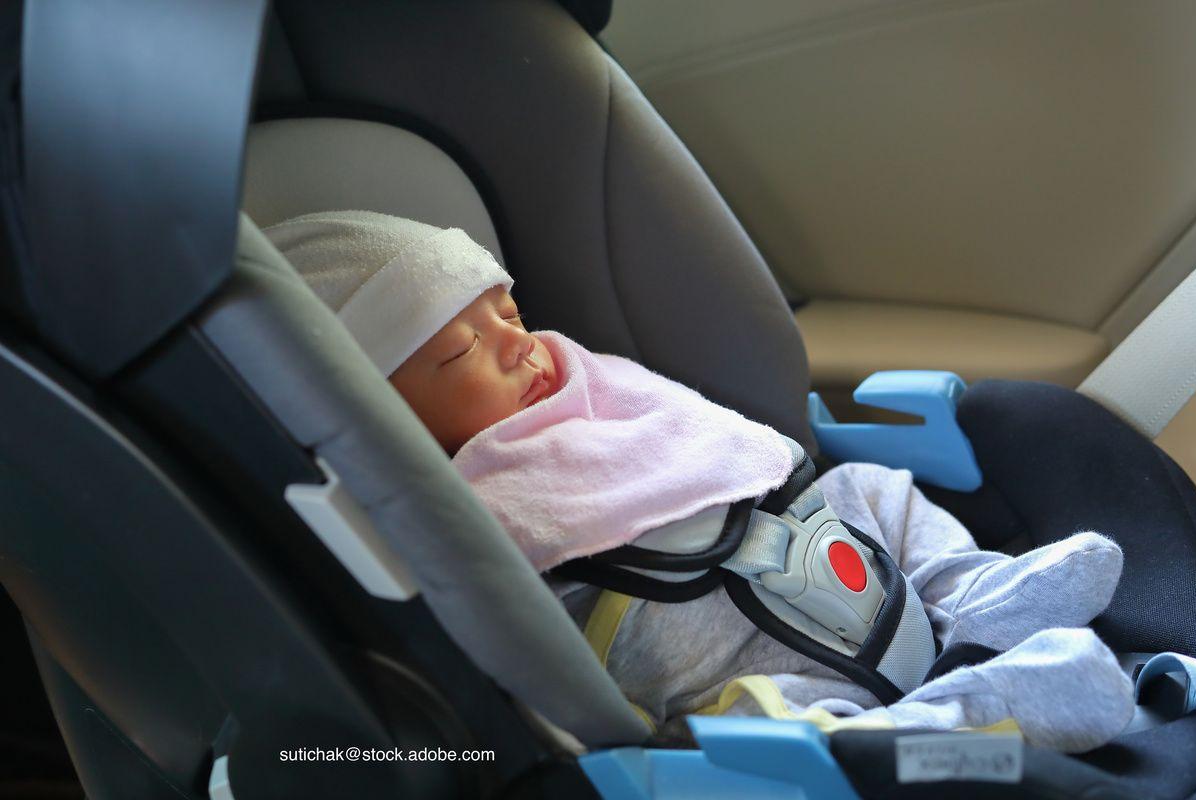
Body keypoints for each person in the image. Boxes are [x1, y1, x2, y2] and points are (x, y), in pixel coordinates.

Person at [265, 210, 1134, 752]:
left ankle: (975, 594)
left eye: (511, 313)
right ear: (383, 419)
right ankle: (960, 719)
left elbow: (732, 455)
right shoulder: (449, 504)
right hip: (692, 651)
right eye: (462, 350)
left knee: (873, 485)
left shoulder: (585, 391)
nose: (521, 346)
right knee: (755, 729)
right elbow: (527, 656)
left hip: (800, 540)